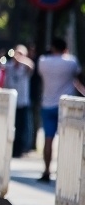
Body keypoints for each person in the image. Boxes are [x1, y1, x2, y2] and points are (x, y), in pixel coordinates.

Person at [36, 37, 85, 182]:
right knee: (67, 139)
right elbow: (78, 76)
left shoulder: (43, 61)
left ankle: (46, 170)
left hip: (47, 104)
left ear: (52, 47)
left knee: (48, 139)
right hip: (67, 106)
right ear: (65, 48)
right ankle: (65, 171)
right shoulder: (71, 62)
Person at [0, 45, 33, 157]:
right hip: (11, 102)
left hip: (22, 102)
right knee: (10, 126)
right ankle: (11, 148)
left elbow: (31, 66)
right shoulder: (9, 66)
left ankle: (21, 149)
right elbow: (1, 67)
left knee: (22, 128)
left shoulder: (25, 67)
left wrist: (21, 59)